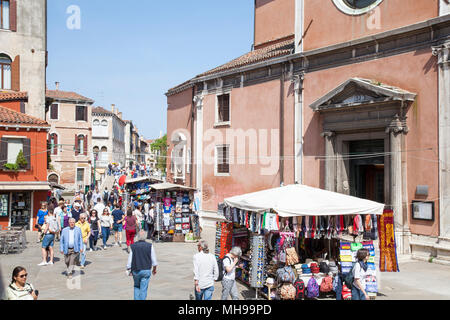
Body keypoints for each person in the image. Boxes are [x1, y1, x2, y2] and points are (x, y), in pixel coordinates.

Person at [126, 231, 158, 300]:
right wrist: (154, 269)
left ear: (137, 237)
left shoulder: (133, 246)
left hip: (136, 270)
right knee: (143, 288)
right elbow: (154, 261)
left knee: (136, 286)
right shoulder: (149, 246)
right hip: (146, 269)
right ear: (145, 237)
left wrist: (128, 268)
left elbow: (129, 260)